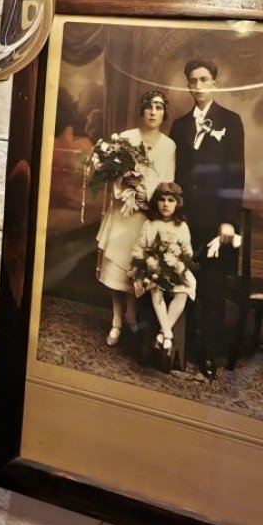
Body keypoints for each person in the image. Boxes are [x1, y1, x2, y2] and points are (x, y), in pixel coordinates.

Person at [169, 58, 245, 378]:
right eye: (193, 80)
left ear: (215, 83)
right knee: (181, 282)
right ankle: (177, 348)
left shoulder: (231, 121)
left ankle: (208, 354)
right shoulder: (179, 126)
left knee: (213, 289)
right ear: (187, 85)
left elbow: (235, 174)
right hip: (184, 219)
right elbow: (174, 174)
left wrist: (229, 220)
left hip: (216, 222)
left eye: (204, 79)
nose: (198, 86)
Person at [95, 90, 175, 347]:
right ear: (142, 110)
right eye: (149, 106)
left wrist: (146, 194)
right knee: (116, 270)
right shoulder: (126, 138)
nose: (153, 112)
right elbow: (112, 173)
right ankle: (116, 321)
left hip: (146, 217)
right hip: (123, 213)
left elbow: (167, 182)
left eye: (159, 107)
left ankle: (131, 315)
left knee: (135, 269)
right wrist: (126, 183)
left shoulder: (169, 146)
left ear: (164, 113)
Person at [130, 183, 196, 366]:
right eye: (162, 200)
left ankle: (162, 334)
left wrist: (179, 263)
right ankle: (167, 334)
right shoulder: (150, 224)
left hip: (173, 268)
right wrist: (148, 261)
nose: (166, 204)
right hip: (153, 269)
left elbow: (188, 252)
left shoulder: (182, 227)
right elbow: (138, 249)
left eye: (170, 200)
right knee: (156, 286)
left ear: (177, 203)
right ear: (156, 202)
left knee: (183, 290)